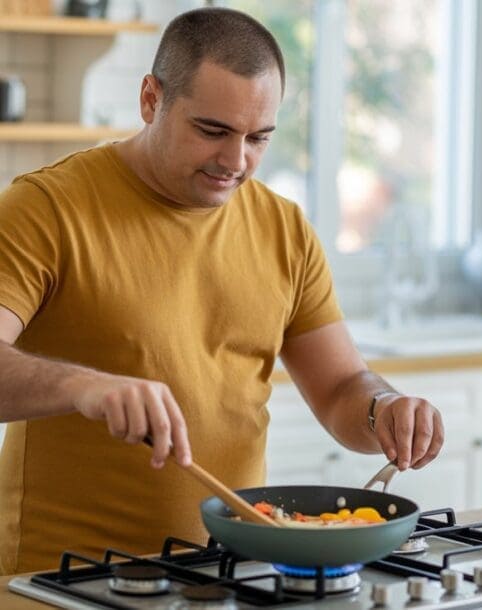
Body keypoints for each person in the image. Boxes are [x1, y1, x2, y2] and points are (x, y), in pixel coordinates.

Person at [0, 7, 444, 575]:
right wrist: (83, 385)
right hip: (65, 579)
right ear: (150, 99)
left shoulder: (283, 229)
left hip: (229, 573)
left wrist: (384, 410)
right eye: (212, 131)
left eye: (258, 138)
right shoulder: (47, 208)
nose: (236, 162)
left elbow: (339, 389)